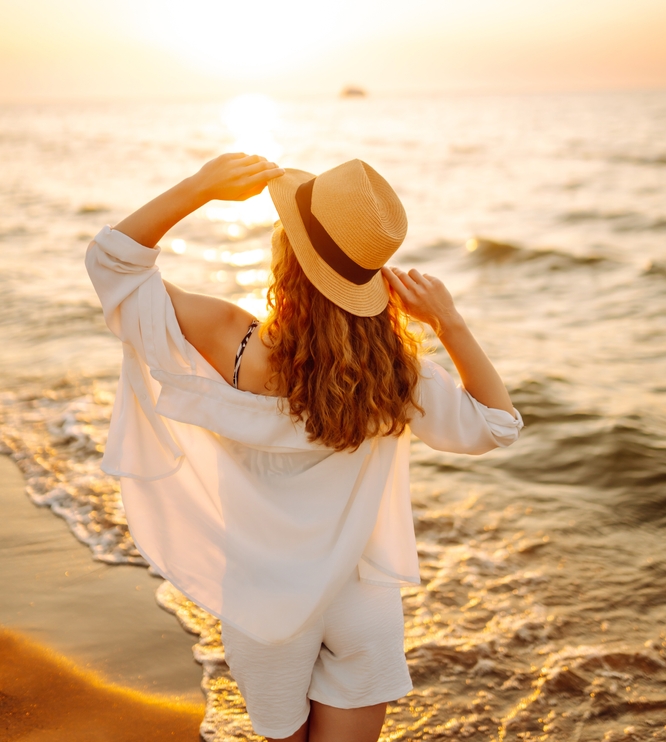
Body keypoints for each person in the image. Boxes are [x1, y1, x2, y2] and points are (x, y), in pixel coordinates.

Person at [86, 152, 522, 742]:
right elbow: (495, 426)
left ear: (284, 252)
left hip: (263, 605)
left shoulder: (227, 339)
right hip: (361, 602)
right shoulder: (392, 371)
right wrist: (448, 323)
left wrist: (199, 188)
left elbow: (113, 263)